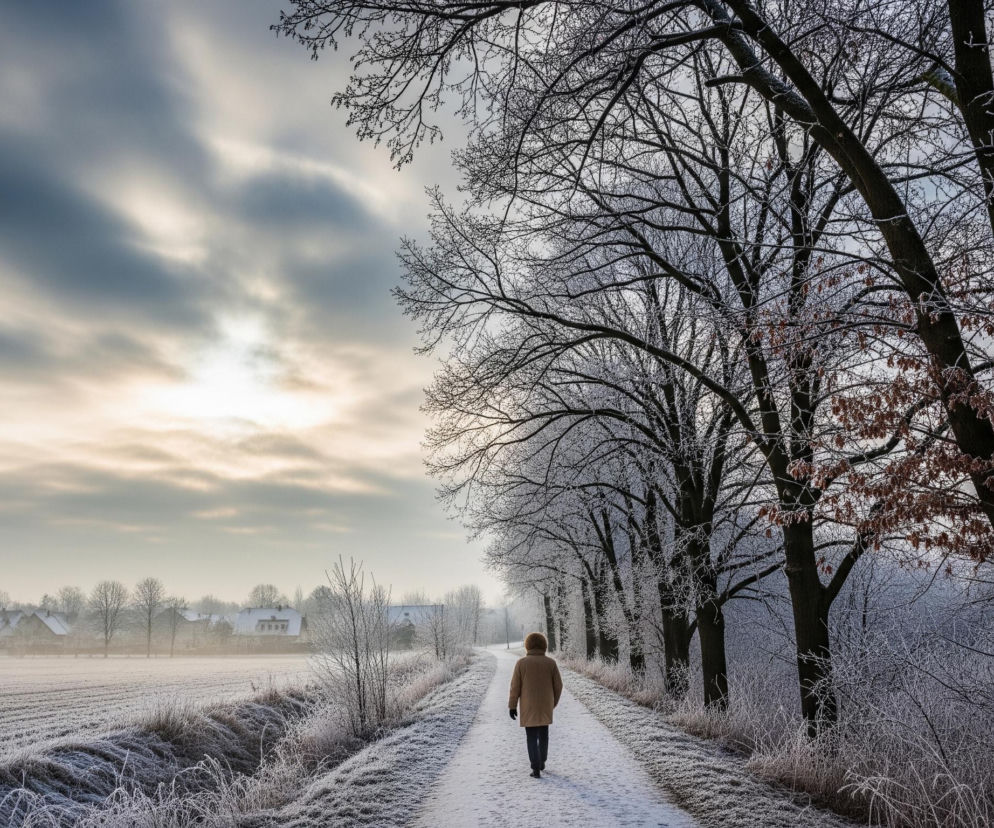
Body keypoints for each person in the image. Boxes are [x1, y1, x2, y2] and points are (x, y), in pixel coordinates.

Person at [508, 631, 563, 778]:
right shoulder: (550, 663)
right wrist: (553, 703)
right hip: (545, 705)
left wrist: (512, 706)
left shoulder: (521, 663)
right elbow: (558, 686)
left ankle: (535, 768)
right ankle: (542, 760)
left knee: (531, 737)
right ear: (544, 645)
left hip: (528, 706)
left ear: (528, 645)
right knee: (544, 735)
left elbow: (515, 687)